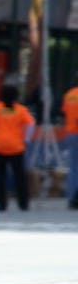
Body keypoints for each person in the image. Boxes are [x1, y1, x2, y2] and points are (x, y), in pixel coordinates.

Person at [0, 83, 35, 212]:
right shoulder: (20, 109)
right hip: (16, 146)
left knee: (0, 176)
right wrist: (26, 139)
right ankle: (23, 203)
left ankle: (2, 204)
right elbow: (31, 124)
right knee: (19, 176)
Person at [61, 76, 78, 208]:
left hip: (71, 132)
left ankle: (72, 197)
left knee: (73, 167)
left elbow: (65, 113)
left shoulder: (69, 95)